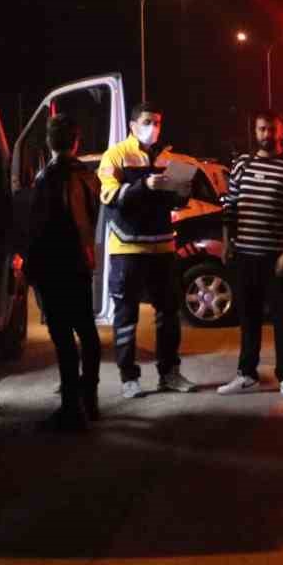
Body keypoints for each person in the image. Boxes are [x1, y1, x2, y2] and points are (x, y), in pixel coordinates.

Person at [97, 101, 196, 399]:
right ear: (132, 125)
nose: (153, 127)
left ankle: (169, 373)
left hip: (163, 245)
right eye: (147, 121)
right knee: (126, 315)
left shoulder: (168, 158)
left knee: (168, 313)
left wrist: (181, 194)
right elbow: (109, 196)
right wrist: (145, 185)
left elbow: (172, 203)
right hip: (128, 247)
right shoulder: (115, 155)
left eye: (157, 122)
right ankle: (129, 378)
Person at [217, 110, 283, 400]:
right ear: (255, 131)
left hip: (276, 259)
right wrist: (227, 242)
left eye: (271, 129)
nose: (266, 135)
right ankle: (246, 375)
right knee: (248, 319)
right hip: (245, 256)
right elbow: (230, 206)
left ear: (281, 132)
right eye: (261, 129)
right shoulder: (241, 165)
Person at [25, 114, 101, 430]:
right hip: (81, 264)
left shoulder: (47, 179)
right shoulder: (88, 176)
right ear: (76, 142)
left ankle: (71, 408)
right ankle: (90, 400)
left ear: (49, 142)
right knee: (86, 330)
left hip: (55, 267)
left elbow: (40, 229)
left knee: (63, 336)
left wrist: (31, 267)